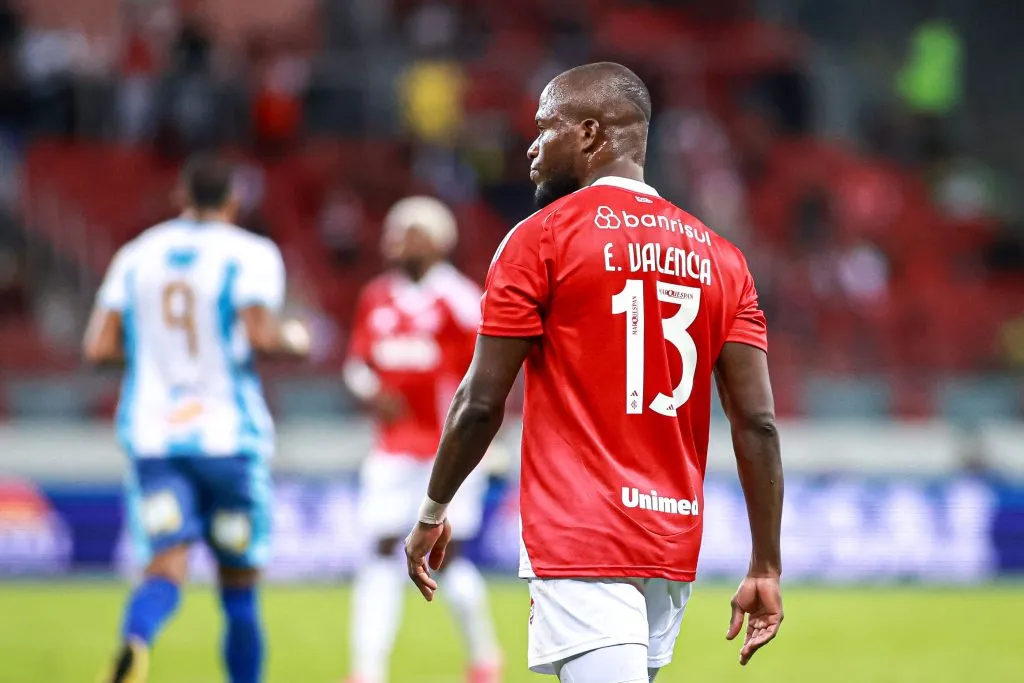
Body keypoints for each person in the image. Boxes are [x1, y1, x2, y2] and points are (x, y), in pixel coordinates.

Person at [405, 62, 785, 683]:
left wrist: (431, 510)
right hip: (669, 538)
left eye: (544, 127)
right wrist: (765, 564)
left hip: (579, 532)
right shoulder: (724, 259)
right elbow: (759, 423)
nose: (531, 146)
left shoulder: (538, 239)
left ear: (587, 134)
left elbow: (479, 402)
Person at [86, 154, 311, 683]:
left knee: (164, 566)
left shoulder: (137, 255)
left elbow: (98, 347)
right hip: (228, 440)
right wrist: (296, 339)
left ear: (181, 198)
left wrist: (153, 356)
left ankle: (136, 641)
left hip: (155, 440)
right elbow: (259, 334)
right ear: (232, 202)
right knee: (239, 589)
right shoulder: (251, 253)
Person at [343, 196, 501, 683]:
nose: (393, 239)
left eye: (406, 231)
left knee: (447, 560)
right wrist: (372, 391)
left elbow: (489, 373)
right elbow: (356, 365)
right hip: (390, 451)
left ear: (436, 242)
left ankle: (483, 658)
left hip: (445, 454)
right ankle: (367, 671)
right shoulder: (377, 296)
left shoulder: (458, 299)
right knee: (379, 548)